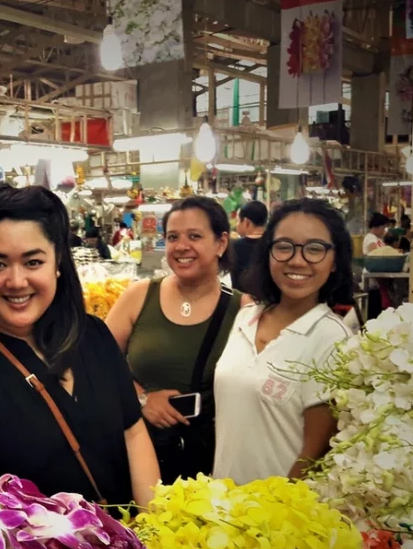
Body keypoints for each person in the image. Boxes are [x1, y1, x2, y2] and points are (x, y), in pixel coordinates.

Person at [0, 183, 160, 507]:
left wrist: (152, 530)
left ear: (57, 262)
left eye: (33, 262)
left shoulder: (92, 334)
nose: (16, 281)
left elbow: (133, 432)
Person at [212, 198, 355, 485]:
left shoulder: (333, 339)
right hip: (220, 509)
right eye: (284, 247)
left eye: (315, 249)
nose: (297, 260)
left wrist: (273, 519)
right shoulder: (245, 318)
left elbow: (312, 457)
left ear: (335, 260)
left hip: (277, 519)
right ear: (268, 253)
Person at [105, 196, 240, 482]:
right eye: (173, 237)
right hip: (135, 451)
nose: (181, 247)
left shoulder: (243, 310)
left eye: (195, 236)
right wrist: (141, 398)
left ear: (221, 243)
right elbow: (96, 363)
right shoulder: (138, 296)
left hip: (207, 462)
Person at [229, 200, 267, 291]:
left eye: (238, 221)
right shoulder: (274, 245)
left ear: (246, 222)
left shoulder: (233, 247)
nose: (237, 225)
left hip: (242, 302)